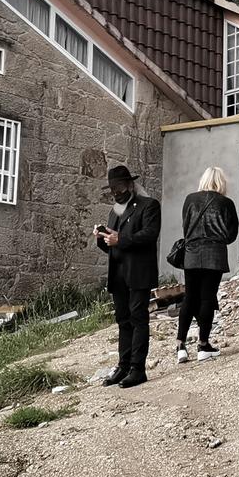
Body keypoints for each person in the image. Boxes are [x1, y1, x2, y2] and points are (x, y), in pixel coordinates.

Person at [94, 164, 160, 388]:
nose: (116, 193)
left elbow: (149, 235)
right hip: (119, 273)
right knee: (123, 320)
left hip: (139, 271)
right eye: (112, 189)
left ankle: (137, 369)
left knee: (138, 318)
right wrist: (102, 237)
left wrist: (120, 239)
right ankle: (123, 365)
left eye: (120, 187)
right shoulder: (114, 211)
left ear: (130, 185)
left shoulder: (148, 205)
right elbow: (111, 247)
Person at [175, 166, 239, 363]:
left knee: (190, 297)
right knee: (207, 299)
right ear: (221, 182)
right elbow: (231, 234)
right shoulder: (226, 203)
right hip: (214, 255)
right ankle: (203, 345)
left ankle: (180, 346)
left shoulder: (190, 199)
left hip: (192, 254)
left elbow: (186, 227)